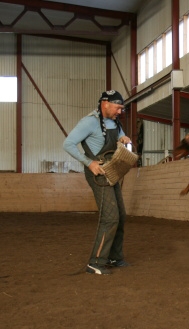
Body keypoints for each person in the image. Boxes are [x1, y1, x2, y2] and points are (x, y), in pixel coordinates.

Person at [63, 90, 132, 275]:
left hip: (112, 169)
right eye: (118, 108)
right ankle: (95, 262)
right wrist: (89, 162)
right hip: (98, 172)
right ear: (106, 104)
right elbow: (68, 144)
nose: (120, 112)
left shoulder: (114, 121)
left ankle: (114, 257)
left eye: (121, 108)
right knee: (110, 217)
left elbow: (118, 134)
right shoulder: (89, 122)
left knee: (121, 215)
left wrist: (123, 138)